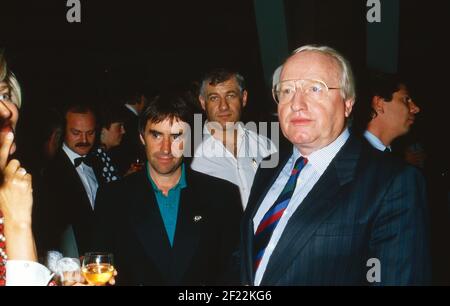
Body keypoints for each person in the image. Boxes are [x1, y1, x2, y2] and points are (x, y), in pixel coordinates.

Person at [240, 45, 430, 285]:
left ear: (348, 102)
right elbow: (247, 258)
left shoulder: (393, 182)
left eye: (314, 88)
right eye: (286, 90)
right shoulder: (268, 167)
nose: (296, 103)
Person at [93, 93, 242, 285]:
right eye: (156, 135)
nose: (166, 148)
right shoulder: (112, 198)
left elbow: (234, 271)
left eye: (176, 136)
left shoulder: (222, 195)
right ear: (142, 137)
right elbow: (99, 270)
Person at [0, 51, 53, 286]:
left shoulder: (10, 191)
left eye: (4, 94)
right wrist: (18, 222)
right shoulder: (14, 205)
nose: (5, 110)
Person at [191, 69, 277, 208]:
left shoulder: (265, 146)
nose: (223, 106)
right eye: (214, 98)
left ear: (243, 98)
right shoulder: (190, 154)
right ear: (202, 102)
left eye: (230, 96)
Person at [36, 104, 101, 257]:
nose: (84, 140)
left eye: (90, 133)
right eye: (76, 133)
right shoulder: (49, 172)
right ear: (63, 131)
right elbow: (48, 230)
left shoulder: (98, 162)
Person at [353, 71, 421, 153]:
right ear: (379, 103)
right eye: (406, 99)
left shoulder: (389, 157)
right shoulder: (355, 157)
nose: (416, 108)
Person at [91, 103, 126, 185]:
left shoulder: (106, 154)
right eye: (119, 126)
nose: (123, 131)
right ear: (103, 129)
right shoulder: (96, 158)